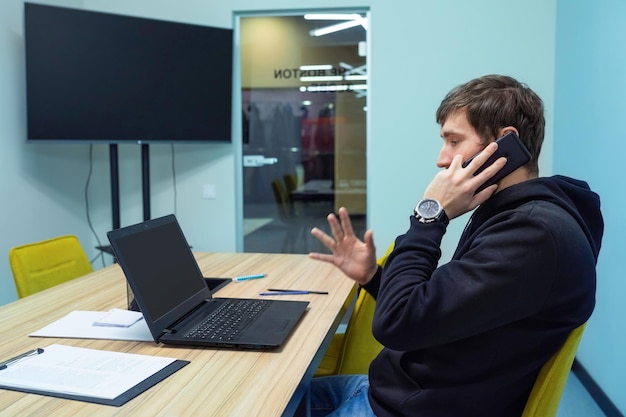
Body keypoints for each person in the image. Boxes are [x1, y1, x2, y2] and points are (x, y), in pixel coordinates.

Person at [307, 74, 604, 417]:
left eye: (453, 140)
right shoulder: (514, 216)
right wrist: (373, 275)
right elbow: (439, 307)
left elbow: (397, 323)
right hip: (392, 392)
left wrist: (430, 214)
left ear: (505, 143)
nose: (441, 159)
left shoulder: (532, 235)